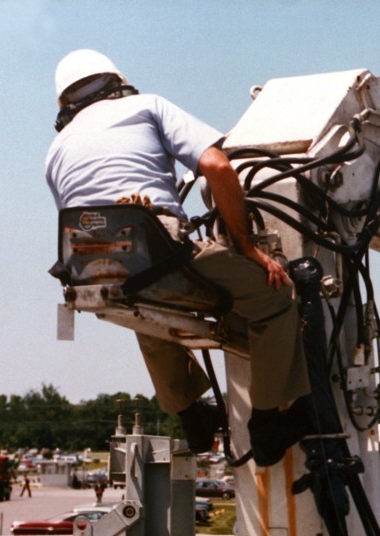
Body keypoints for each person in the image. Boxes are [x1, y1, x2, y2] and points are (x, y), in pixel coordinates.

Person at [45, 49, 310, 458]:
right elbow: (219, 167)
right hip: (159, 253)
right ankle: (269, 421)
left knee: (138, 301)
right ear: (117, 83)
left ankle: (189, 414)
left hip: (90, 272)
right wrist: (247, 248)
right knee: (275, 295)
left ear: (65, 105)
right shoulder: (146, 106)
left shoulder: (56, 149)